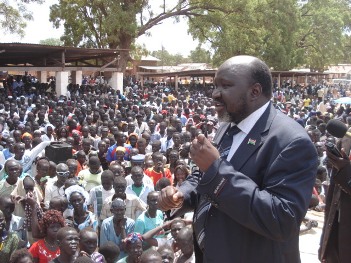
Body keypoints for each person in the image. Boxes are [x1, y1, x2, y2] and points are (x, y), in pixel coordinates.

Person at [158, 55, 318, 262]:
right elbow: (203, 175)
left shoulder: (291, 141)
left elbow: (282, 219)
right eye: (215, 85)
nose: (215, 94)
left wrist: (217, 170)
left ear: (255, 91)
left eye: (225, 86)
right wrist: (182, 194)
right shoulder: (227, 125)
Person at [319, 139, 351, 262]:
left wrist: (347, 173)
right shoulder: (345, 142)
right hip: (337, 237)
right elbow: (333, 199)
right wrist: (324, 245)